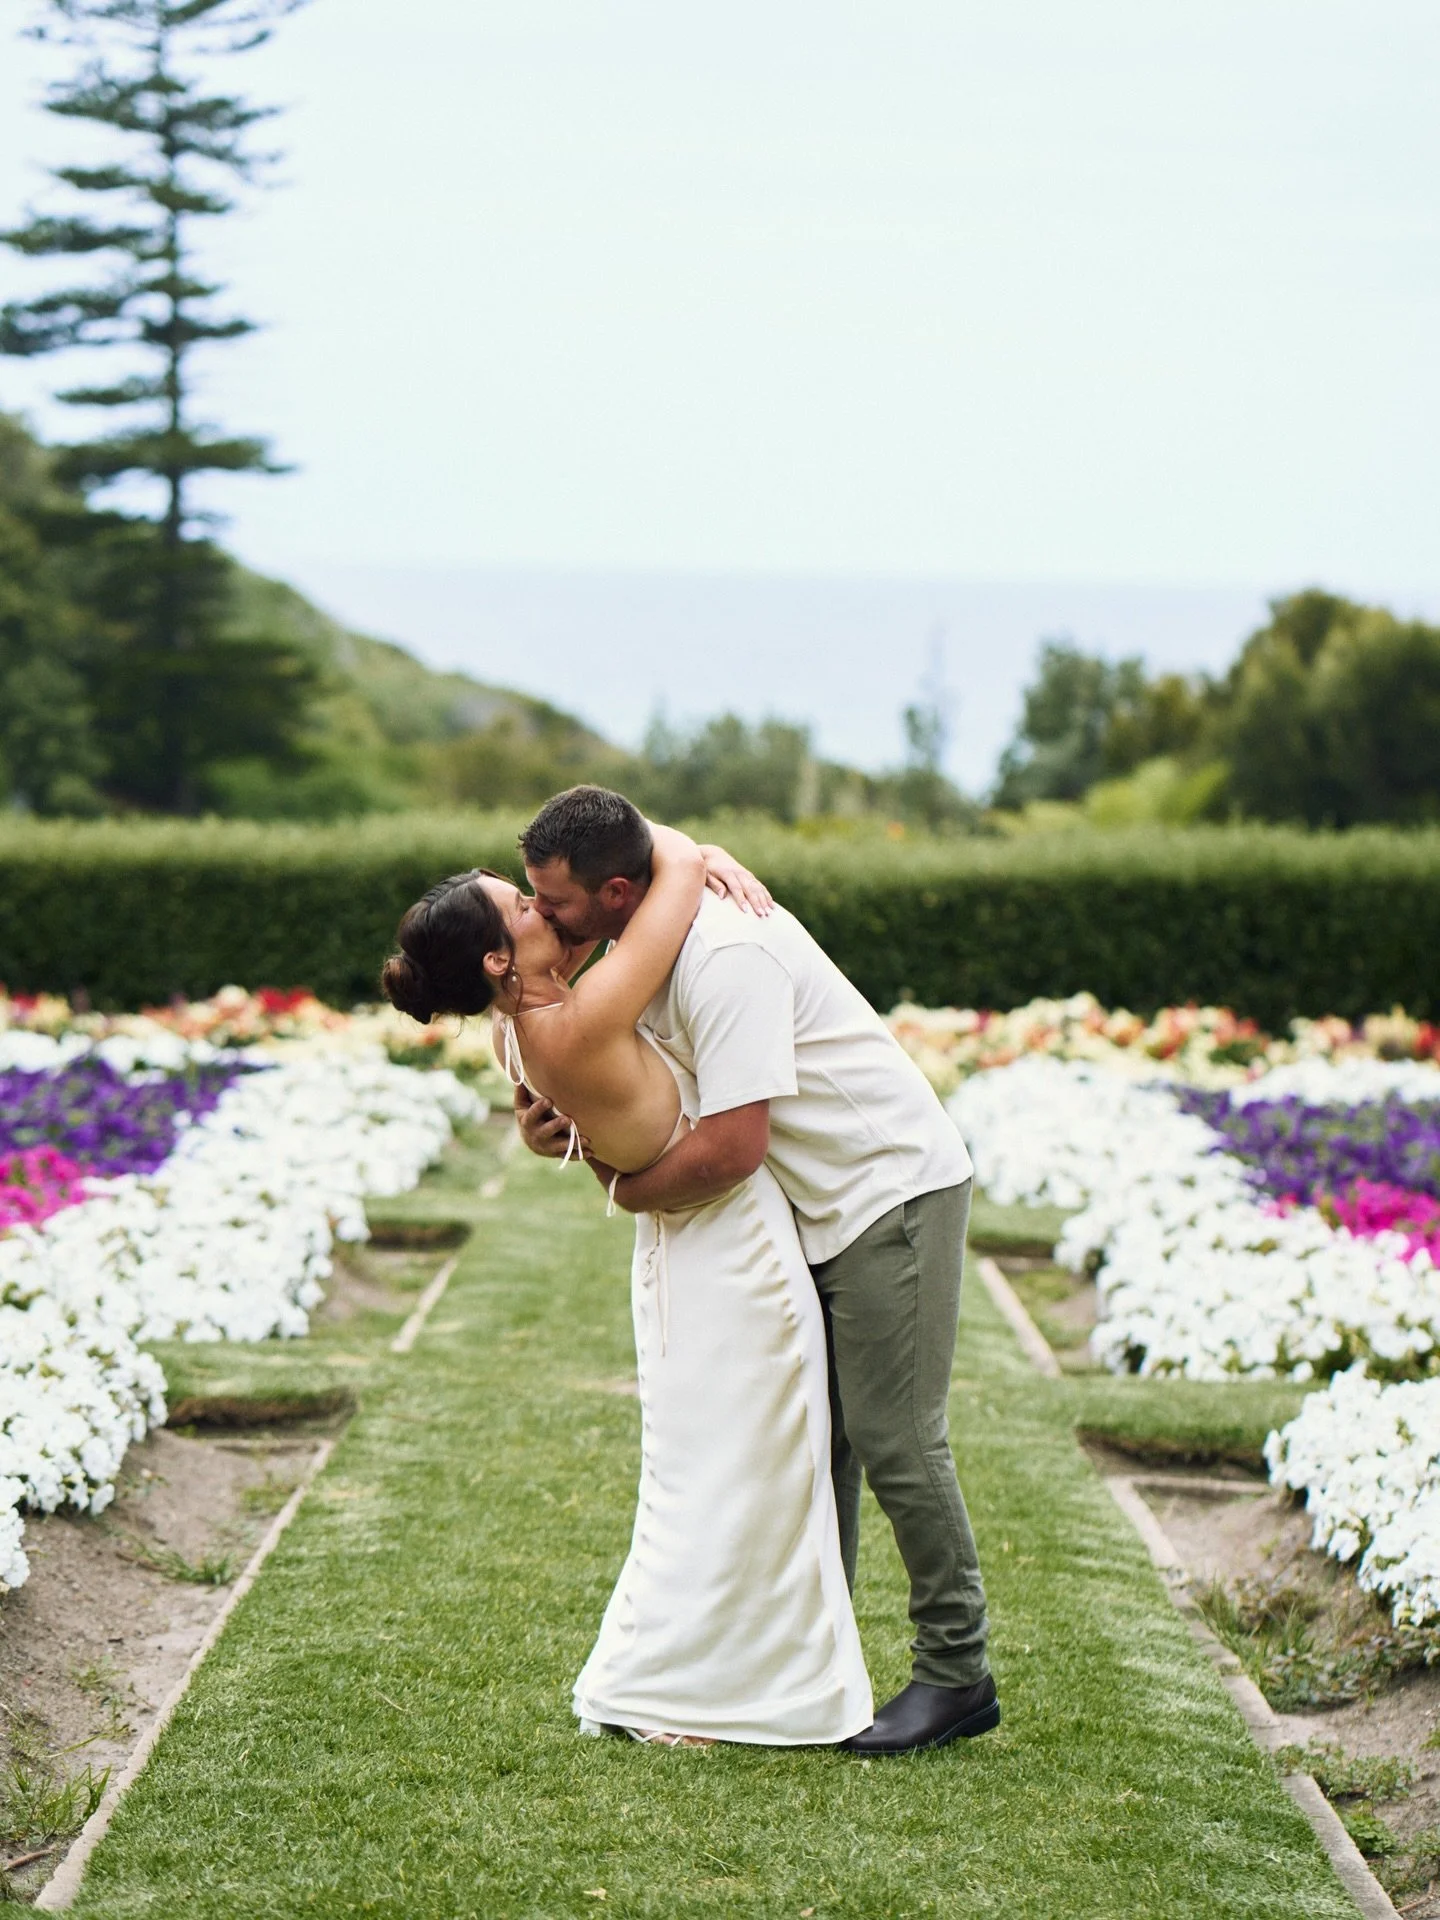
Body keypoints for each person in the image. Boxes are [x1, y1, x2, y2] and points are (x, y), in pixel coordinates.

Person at [517, 786, 997, 1756]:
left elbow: (734, 1147)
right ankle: (813, 1670)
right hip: (818, 1210)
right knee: (820, 1446)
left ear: (616, 893)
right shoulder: (650, 934)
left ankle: (957, 1674)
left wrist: (623, 1190)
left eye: (554, 903)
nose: (541, 920)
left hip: (885, 1194)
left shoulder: (723, 955)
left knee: (895, 1439)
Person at [380, 823, 873, 1748]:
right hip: (732, 1250)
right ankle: (706, 1692)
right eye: (524, 904)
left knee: (709, 1474)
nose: (545, 909)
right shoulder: (574, 1019)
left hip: (681, 1252)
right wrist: (702, 854)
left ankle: (681, 1678)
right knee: (753, 1473)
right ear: (498, 954)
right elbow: (670, 871)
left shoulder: (523, 1033)